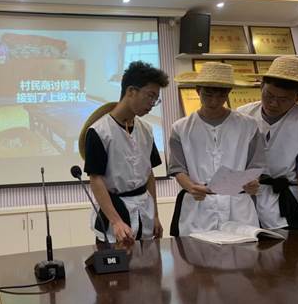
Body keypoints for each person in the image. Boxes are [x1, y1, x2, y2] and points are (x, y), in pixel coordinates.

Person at [169, 62, 265, 236]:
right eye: (208, 94)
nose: (214, 101)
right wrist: (191, 187)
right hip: (199, 206)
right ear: (198, 90)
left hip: (237, 205)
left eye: (221, 95)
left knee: (242, 250)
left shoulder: (248, 125)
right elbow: (177, 168)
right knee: (197, 251)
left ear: (228, 92)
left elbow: (255, 165)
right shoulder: (181, 128)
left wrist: (252, 181)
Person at [80, 61, 169, 244]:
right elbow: (96, 180)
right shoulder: (99, 131)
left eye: (156, 99)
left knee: (148, 260)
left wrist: (155, 215)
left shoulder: (146, 129)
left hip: (144, 213)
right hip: (115, 214)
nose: (152, 104)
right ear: (131, 91)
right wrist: (116, 221)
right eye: (150, 96)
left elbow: (149, 174)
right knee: (116, 260)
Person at [238, 55, 298, 233]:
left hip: (286, 201)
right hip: (246, 198)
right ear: (261, 86)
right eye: (268, 95)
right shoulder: (242, 115)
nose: (273, 103)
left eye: (284, 99)